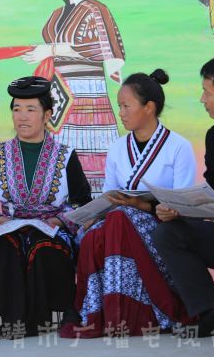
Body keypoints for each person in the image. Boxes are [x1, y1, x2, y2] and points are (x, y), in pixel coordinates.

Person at [61, 69, 195, 338]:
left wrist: (142, 205)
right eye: (119, 106)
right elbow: (110, 195)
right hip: (119, 218)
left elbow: (184, 203)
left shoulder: (178, 147)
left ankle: (135, 313)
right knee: (92, 236)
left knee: (120, 219)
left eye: (126, 106)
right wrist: (92, 216)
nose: (120, 112)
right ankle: (101, 312)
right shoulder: (118, 147)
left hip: (163, 227)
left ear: (149, 108)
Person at [0, 76, 92, 338]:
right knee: (4, 245)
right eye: (16, 109)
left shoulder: (65, 155)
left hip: (51, 228)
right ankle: (7, 321)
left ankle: (42, 320)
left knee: (45, 248)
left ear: (47, 114)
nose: (22, 117)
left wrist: (60, 222)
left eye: (31, 109)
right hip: (10, 225)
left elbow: (83, 201)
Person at [23, 0, 125, 195]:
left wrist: (52, 50)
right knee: (58, 164)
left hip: (86, 97)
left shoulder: (95, 9)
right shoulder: (57, 12)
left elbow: (101, 48)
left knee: (90, 164)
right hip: (59, 99)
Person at [152, 53, 214, 337]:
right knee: (167, 232)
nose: (202, 99)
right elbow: (213, 190)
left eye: (207, 93)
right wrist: (179, 207)